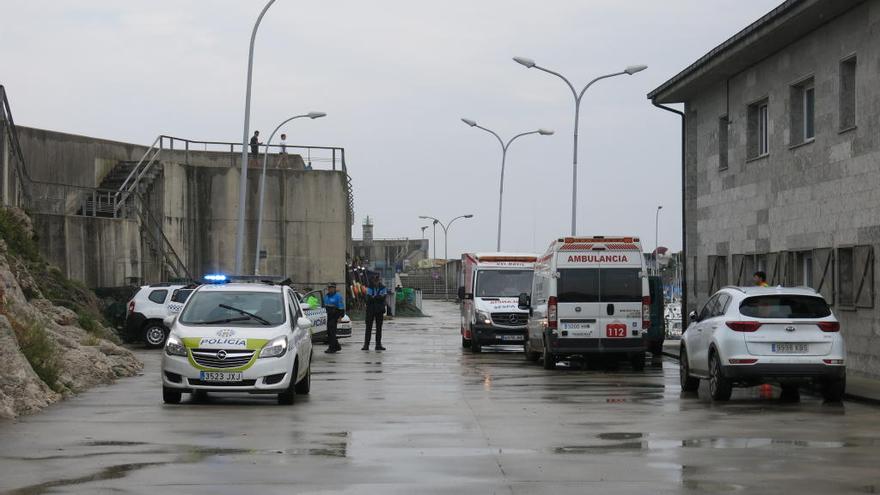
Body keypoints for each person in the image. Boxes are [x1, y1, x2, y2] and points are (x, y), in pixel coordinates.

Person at [362, 275, 387, 351]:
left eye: (377, 280)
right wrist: (377, 297)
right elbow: (369, 298)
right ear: (373, 280)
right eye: (375, 280)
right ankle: (366, 345)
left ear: (379, 280)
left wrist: (374, 297)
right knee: (368, 328)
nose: (376, 282)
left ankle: (378, 345)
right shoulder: (370, 287)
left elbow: (383, 298)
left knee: (379, 328)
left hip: (379, 310)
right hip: (370, 310)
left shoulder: (383, 287)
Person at [323, 283, 344, 353]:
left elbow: (341, 308)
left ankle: (331, 348)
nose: (330, 289)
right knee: (329, 332)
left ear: (334, 288)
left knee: (332, 332)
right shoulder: (326, 296)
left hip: (335, 316)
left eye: (331, 288)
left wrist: (340, 317)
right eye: (329, 288)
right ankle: (337, 346)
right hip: (328, 316)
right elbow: (325, 306)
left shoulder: (338, 296)